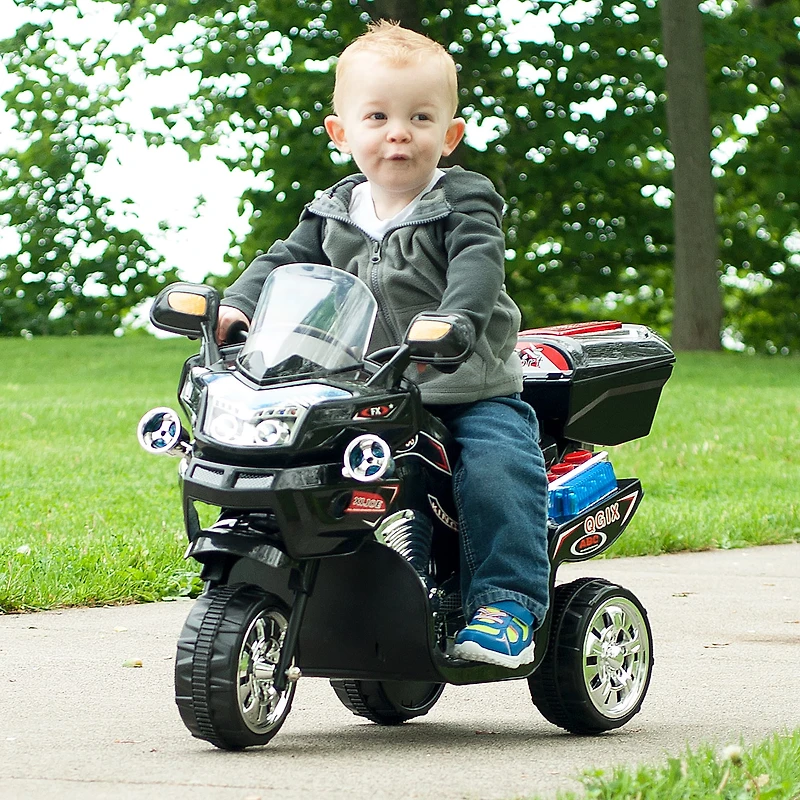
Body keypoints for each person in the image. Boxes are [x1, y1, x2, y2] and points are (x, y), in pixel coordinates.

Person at [217, 21, 550, 669]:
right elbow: (281, 263)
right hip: (364, 391)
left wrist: (456, 320)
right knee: (296, 465)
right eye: (377, 115)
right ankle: (304, 583)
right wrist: (238, 306)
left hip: (463, 387)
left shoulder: (464, 201)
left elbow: (477, 272)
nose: (398, 131)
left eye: (420, 117)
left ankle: (508, 602)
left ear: (449, 136)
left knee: (495, 468)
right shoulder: (332, 211)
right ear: (342, 132)